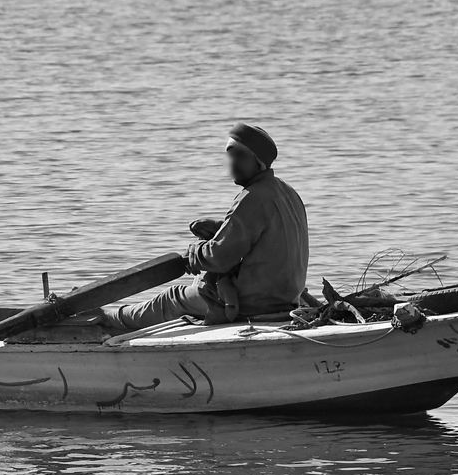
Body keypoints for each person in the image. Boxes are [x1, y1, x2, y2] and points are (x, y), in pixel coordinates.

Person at [104, 123, 309, 330]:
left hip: (254, 304)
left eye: (239, 155)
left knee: (172, 297)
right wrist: (220, 229)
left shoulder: (252, 198)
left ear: (258, 162)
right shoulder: (287, 192)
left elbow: (218, 259)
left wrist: (195, 252)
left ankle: (110, 319)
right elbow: (270, 235)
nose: (232, 162)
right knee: (196, 287)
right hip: (285, 298)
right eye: (230, 154)